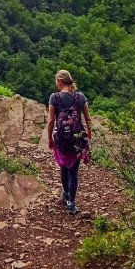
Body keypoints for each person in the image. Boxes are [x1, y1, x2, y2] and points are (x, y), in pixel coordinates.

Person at [46, 69, 91, 214]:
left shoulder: (55, 97)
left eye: (56, 82)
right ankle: (71, 203)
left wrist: (49, 139)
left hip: (61, 140)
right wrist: (88, 133)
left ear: (59, 81)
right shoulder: (80, 97)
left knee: (64, 168)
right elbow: (87, 118)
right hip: (77, 138)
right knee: (74, 172)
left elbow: (51, 120)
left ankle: (65, 193)